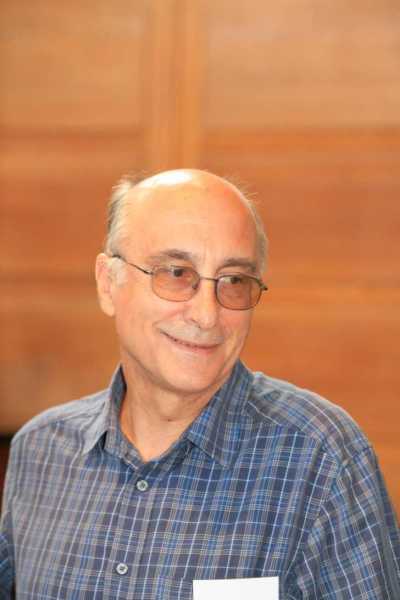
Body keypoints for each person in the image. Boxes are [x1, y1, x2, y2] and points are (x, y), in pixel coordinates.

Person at [0, 169, 399, 599]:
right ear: (108, 283)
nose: (207, 315)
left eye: (234, 280)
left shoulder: (322, 458)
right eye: (176, 272)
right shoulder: (39, 452)